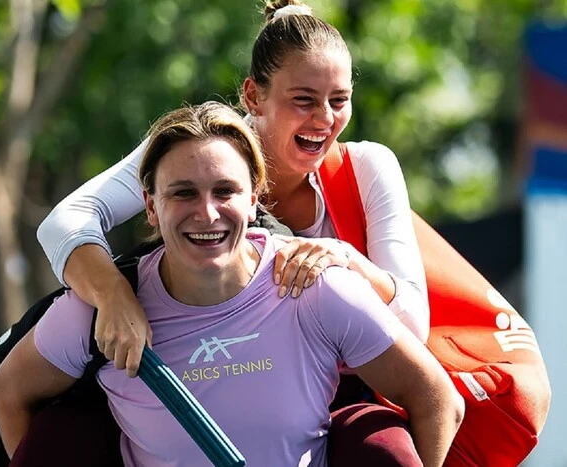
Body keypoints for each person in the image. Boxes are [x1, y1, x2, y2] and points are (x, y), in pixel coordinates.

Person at [36, 0, 431, 464]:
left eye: (339, 100)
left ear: (255, 194)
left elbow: (413, 328)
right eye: (303, 100)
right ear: (253, 97)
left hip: (333, 394)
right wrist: (113, 297)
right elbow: (66, 220)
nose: (325, 118)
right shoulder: (204, 147)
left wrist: (343, 259)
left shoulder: (367, 166)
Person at [0, 102, 463, 467]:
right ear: (150, 207)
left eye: (225, 191)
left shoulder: (314, 288)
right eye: (183, 193)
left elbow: (438, 399)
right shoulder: (99, 312)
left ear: (254, 199)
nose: (207, 212)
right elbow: (6, 396)